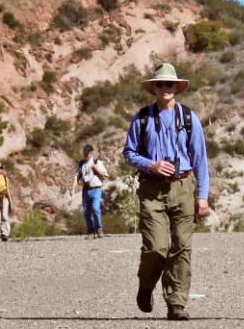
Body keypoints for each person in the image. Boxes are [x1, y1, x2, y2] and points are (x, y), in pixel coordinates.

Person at [123, 63, 210, 321]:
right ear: (154, 88)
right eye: (160, 84)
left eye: (169, 84)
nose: (165, 88)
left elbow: (200, 158)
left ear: (176, 88)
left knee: (181, 247)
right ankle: (146, 285)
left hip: (183, 186)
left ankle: (176, 303)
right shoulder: (142, 118)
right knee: (156, 247)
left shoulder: (188, 118)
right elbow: (129, 153)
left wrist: (202, 196)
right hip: (151, 188)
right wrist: (151, 164)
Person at [71, 144, 108, 239]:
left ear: (92, 153)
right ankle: (90, 231)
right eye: (85, 153)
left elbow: (105, 176)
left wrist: (95, 168)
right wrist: (73, 189)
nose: (86, 155)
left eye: (88, 153)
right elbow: (76, 177)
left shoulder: (97, 162)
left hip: (96, 189)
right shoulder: (81, 164)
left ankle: (99, 229)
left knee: (95, 209)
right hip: (86, 190)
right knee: (87, 212)